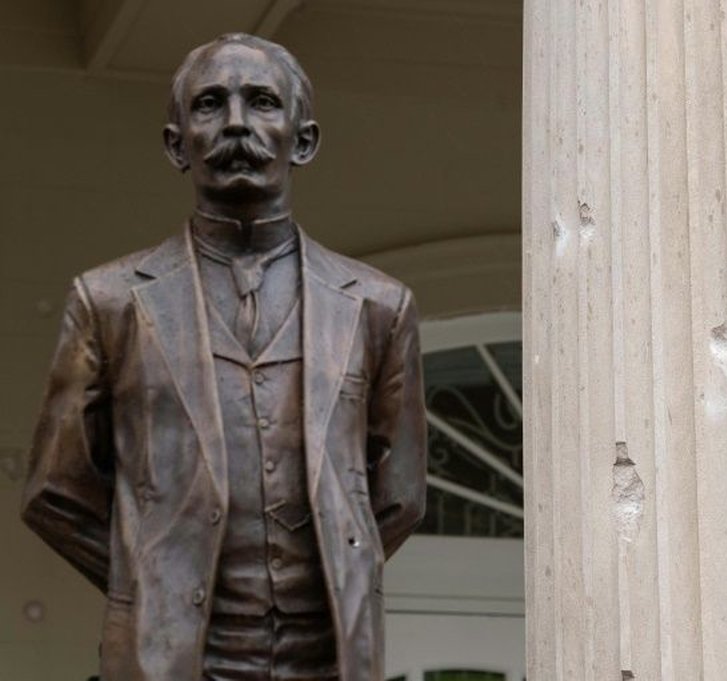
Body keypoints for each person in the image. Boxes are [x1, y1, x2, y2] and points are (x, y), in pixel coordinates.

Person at [21, 33, 427, 681]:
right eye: (210, 104)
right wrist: (159, 573)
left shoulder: (379, 306)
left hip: (328, 657)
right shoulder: (109, 301)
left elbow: (400, 495)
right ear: (177, 144)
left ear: (304, 139)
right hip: (174, 661)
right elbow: (54, 491)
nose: (237, 123)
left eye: (262, 101)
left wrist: (333, 568)